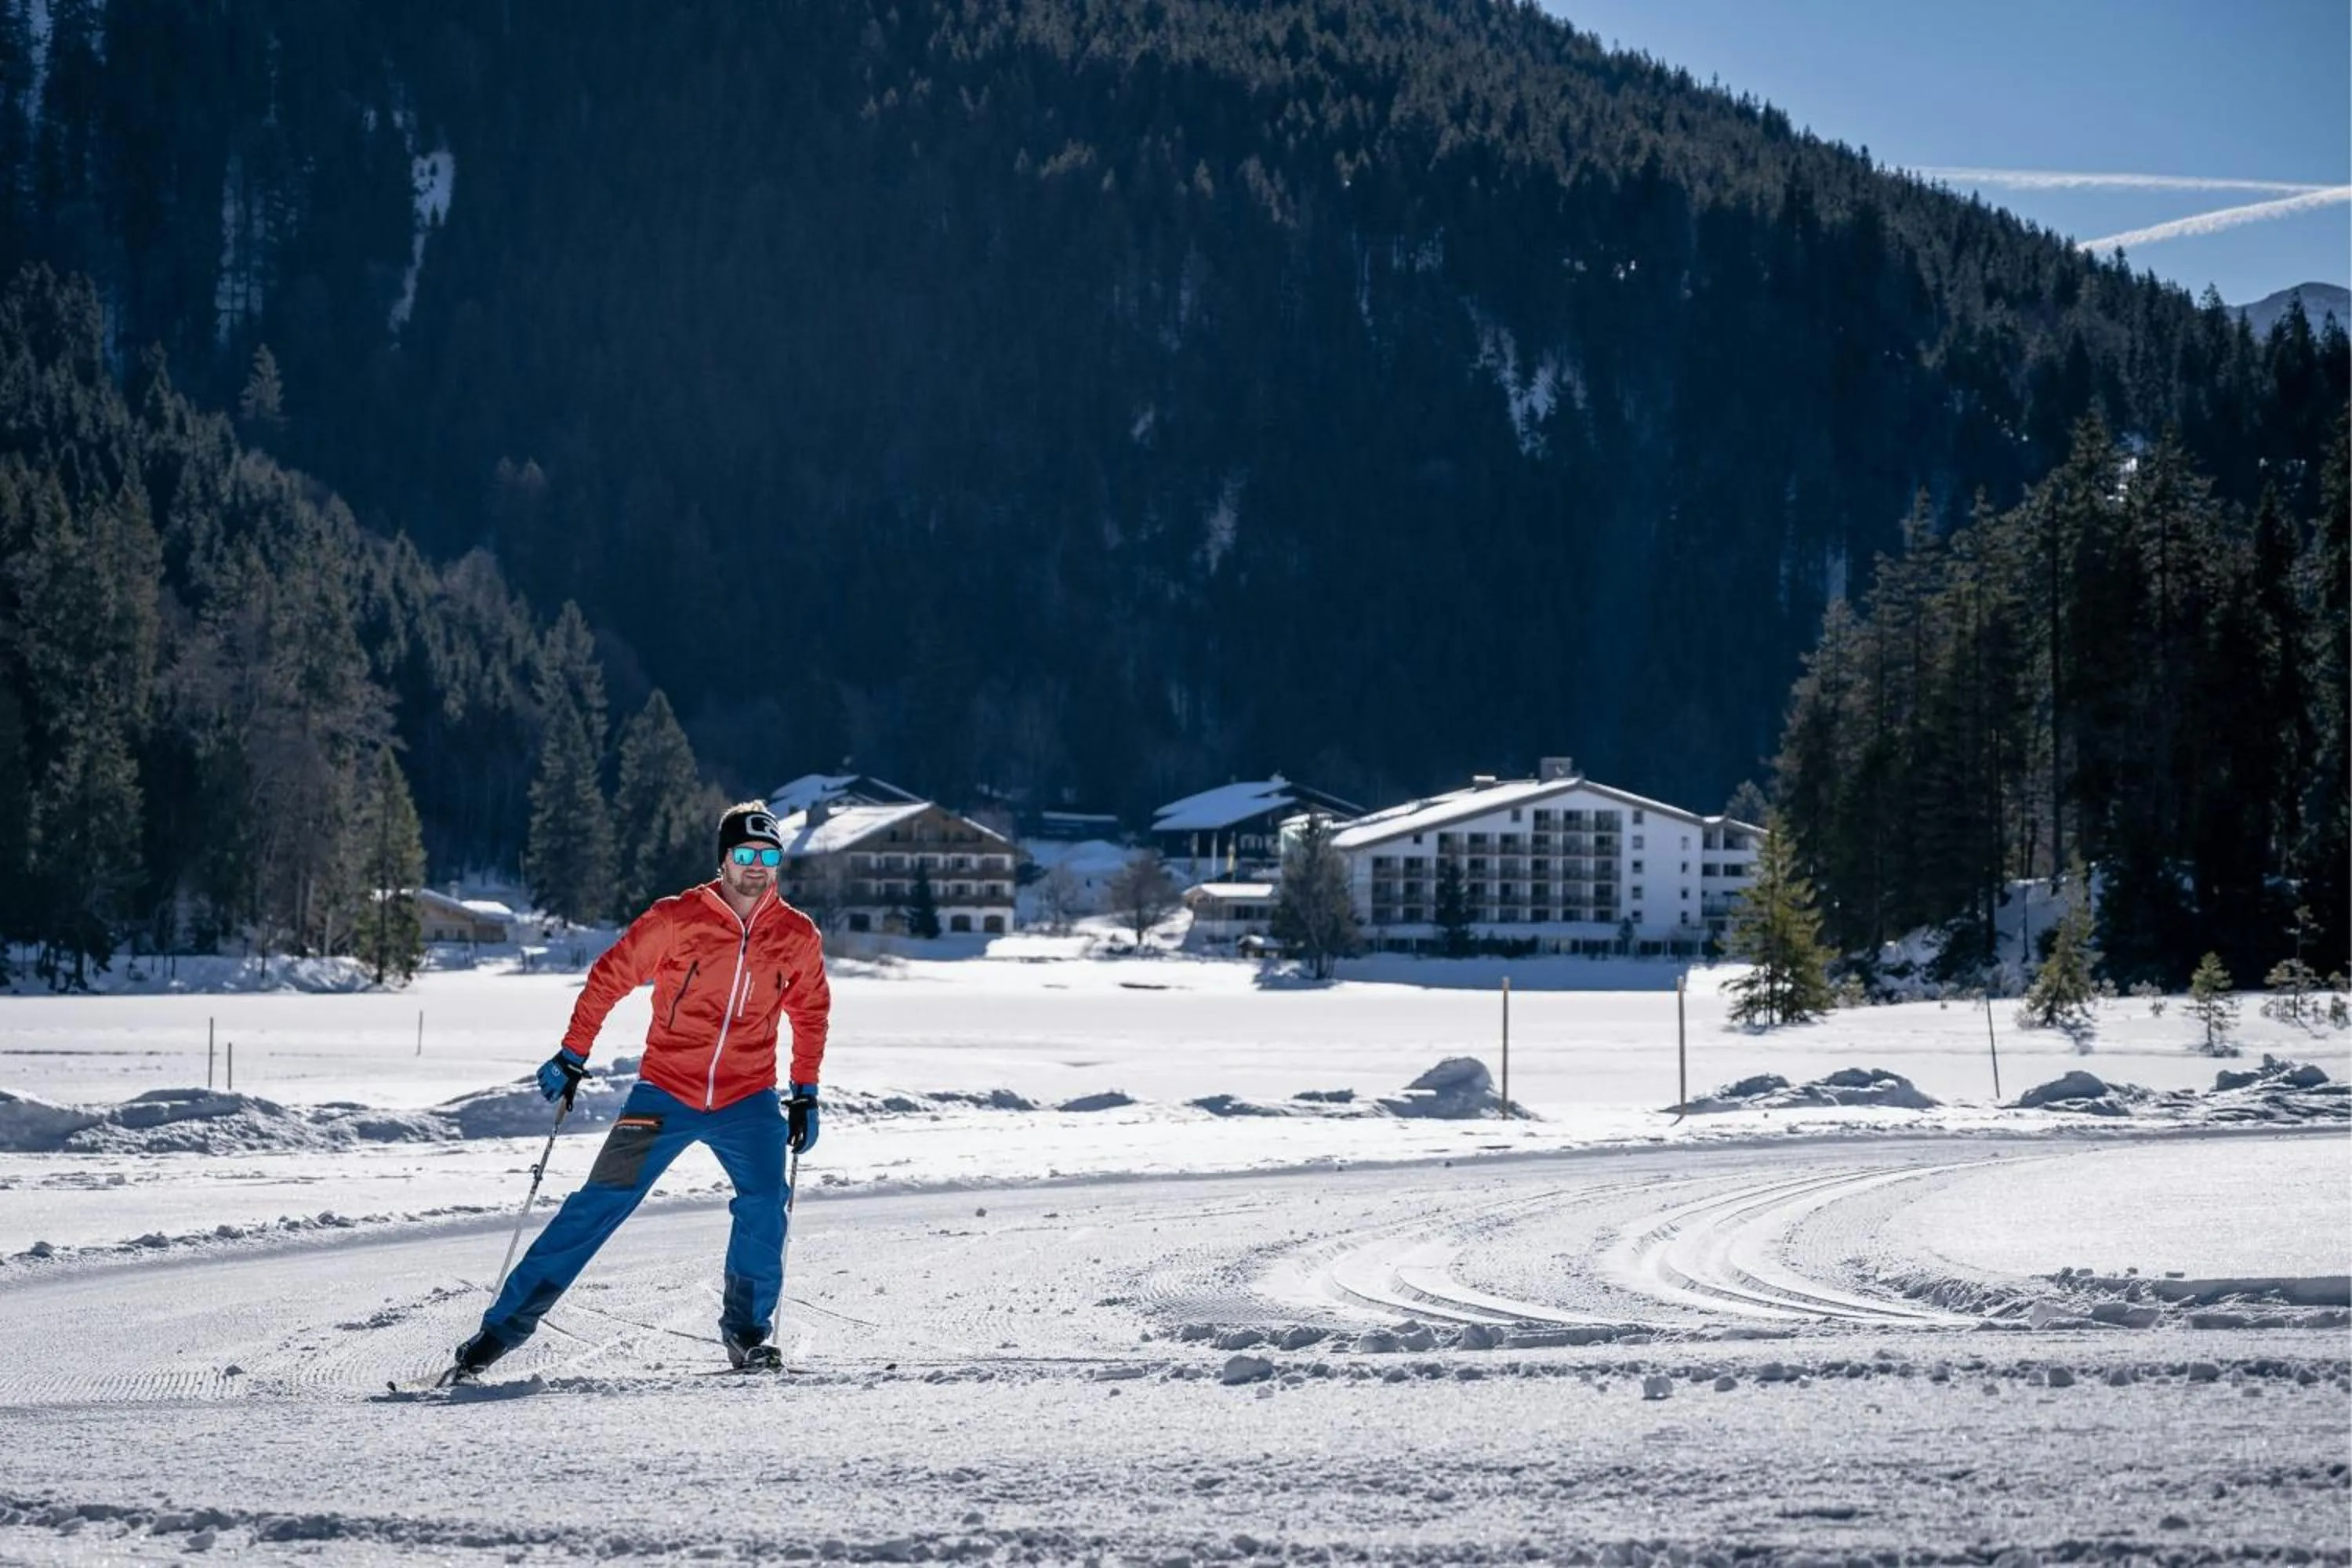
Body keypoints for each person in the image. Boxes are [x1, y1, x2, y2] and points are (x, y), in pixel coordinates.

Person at [451, 802, 831, 1377]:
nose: (757, 867)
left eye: (769, 856)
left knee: (765, 1205)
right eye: (746, 855)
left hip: (747, 1098)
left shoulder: (796, 935)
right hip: (664, 1092)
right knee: (599, 1203)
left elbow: (811, 1012)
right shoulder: (678, 918)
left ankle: (748, 1334)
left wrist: (805, 1090)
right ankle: (500, 1331)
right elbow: (610, 977)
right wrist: (574, 1052)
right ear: (723, 860)